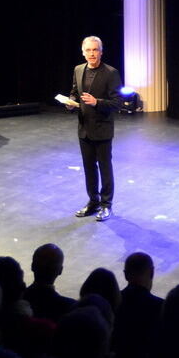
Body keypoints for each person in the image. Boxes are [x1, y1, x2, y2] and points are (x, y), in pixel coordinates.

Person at [67, 35, 123, 222]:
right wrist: (70, 102)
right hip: (84, 128)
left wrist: (96, 102)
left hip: (102, 128)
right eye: (88, 50)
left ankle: (107, 205)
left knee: (105, 168)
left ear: (101, 51)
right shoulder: (78, 70)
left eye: (95, 50)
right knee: (89, 168)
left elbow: (117, 103)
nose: (92, 53)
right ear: (83, 52)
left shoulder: (111, 73)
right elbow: (75, 93)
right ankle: (93, 202)